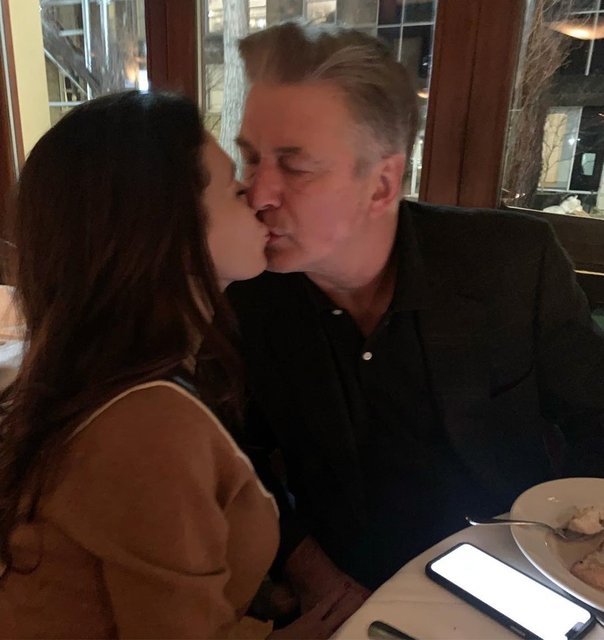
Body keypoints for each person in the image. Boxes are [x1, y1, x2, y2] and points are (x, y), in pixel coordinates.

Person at [227, 20, 604, 614]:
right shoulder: (247, 292)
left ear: (381, 184)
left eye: (294, 167)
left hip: (517, 579)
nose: (258, 193)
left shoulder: (510, 263)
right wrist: (318, 579)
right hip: (348, 588)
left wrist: (577, 559)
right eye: (250, 159)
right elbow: (235, 463)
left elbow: (597, 418)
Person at [0, 90, 279, 639]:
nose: (257, 195)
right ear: (171, 232)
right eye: (233, 186)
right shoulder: (150, 424)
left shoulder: (106, 376)